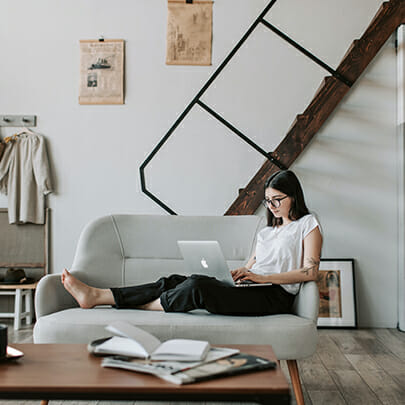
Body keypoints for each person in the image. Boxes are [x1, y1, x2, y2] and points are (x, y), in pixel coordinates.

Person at [61, 170, 322, 316]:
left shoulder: (307, 224)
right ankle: (97, 295)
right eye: (268, 200)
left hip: (273, 297)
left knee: (197, 287)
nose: (272, 206)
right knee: (175, 280)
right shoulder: (267, 231)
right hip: (251, 288)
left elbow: (310, 272)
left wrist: (264, 279)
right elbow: (252, 264)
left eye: (278, 199)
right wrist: (239, 274)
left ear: (293, 196)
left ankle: (139, 305)